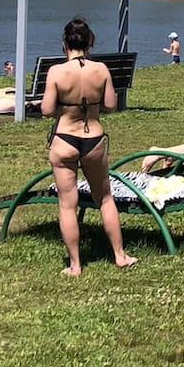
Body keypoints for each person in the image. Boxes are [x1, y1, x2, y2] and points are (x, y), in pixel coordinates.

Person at [41, 17, 135, 276]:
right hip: (93, 138)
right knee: (105, 199)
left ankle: (75, 265)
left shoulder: (57, 72)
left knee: (67, 204)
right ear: (90, 42)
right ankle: (120, 255)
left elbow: (47, 110)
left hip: (65, 139)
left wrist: (64, 104)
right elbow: (111, 105)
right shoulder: (101, 70)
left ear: (65, 43)